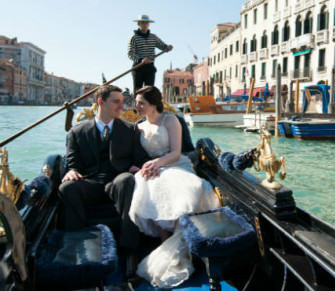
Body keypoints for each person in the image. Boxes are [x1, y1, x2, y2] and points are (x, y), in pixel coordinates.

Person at [129, 86, 220, 288]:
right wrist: (141, 165)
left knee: (183, 188)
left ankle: (180, 244)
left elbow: (176, 153)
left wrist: (157, 164)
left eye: (141, 103)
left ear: (153, 104)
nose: (137, 107)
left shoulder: (171, 120)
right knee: (149, 185)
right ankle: (165, 242)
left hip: (175, 164)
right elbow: (137, 154)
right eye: (136, 103)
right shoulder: (138, 127)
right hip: (154, 169)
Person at [59, 85, 150, 266]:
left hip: (117, 181)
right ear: (101, 102)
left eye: (122, 102)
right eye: (116, 102)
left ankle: (129, 250)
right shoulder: (76, 132)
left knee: (127, 180)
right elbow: (73, 162)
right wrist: (71, 171)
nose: (121, 107)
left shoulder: (130, 130)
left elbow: (141, 158)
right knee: (67, 188)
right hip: (90, 182)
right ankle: (78, 244)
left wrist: (139, 167)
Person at [128, 14, 173, 93]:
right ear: (139, 24)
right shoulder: (134, 38)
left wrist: (167, 47)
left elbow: (162, 46)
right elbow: (130, 54)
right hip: (138, 67)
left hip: (150, 67)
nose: (144, 25)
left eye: (146, 23)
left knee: (149, 92)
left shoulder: (153, 37)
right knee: (138, 91)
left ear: (148, 24)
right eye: (142, 23)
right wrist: (141, 60)